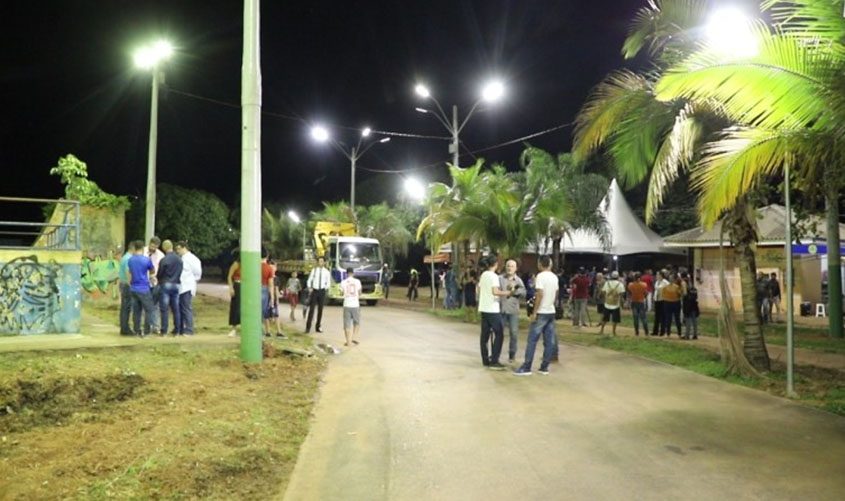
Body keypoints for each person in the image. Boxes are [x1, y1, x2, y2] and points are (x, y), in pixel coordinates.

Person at [514, 255, 559, 376]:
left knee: (532, 340)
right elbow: (555, 293)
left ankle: (527, 366)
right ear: (550, 264)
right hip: (550, 311)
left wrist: (534, 312)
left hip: (541, 312)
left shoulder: (540, 276)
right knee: (548, 340)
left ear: (540, 264)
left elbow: (539, 294)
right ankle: (544, 367)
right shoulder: (554, 277)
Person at [477, 256, 512, 370]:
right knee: (499, 333)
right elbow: (495, 291)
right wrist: (508, 292)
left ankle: (485, 359)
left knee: (485, 335)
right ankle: (495, 360)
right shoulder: (494, 276)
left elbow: (478, 289)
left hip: (484, 307)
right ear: (496, 264)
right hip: (492, 308)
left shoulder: (484, 275)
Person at [126, 240, 156, 336]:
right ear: (142, 249)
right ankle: (147, 330)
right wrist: (151, 275)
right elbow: (152, 270)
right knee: (149, 309)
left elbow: (130, 272)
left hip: (133, 288)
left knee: (136, 311)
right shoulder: (146, 260)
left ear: (134, 248)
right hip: (144, 288)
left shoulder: (130, 260)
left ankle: (137, 330)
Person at [499, 258, 526, 363]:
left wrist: (515, 290)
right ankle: (496, 355)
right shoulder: (500, 278)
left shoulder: (518, 280)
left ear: (516, 268)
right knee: (499, 333)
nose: (510, 268)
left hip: (513, 310)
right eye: (508, 266)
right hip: (501, 310)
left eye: (512, 266)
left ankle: (512, 355)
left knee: (514, 333)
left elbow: (524, 293)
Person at [156, 239, 183, 336]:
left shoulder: (164, 260)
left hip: (165, 284)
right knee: (176, 308)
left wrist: (159, 280)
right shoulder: (179, 259)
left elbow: (160, 274)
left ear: (164, 248)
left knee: (164, 309)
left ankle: (164, 330)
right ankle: (177, 329)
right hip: (176, 284)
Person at [175, 241, 202, 335]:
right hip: (181, 286)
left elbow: (197, 273)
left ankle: (189, 328)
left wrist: (191, 280)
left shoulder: (192, 259)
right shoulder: (181, 258)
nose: (177, 251)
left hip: (187, 286)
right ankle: (181, 328)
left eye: (178, 249)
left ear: (184, 248)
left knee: (186, 307)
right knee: (180, 308)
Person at [306, 256, 330, 333]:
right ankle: (308, 327)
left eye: (322, 261)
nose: (320, 263)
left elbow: (328, 282)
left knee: (320, 310)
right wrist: (310, 287)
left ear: (324, 262)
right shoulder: (314, 270)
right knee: (311, 309)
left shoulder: (326, 272)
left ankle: (318, 326)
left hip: (322, 291)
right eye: (319, 261)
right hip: (315, 291)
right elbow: (310, 279)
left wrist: (325, 288)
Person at [147, 237, 165, 334]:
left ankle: (155, 326)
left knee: (154, 305)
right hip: (144, 282)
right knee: (145, 304)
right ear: (150, 243)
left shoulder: (160, 255)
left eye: (155, 247)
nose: (153, 248)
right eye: (152, 245)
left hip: (155, 282)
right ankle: (147, 325)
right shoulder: (143, 251)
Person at [340, 267, 363, 346]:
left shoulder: (343, 282)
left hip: (347, 304)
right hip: (355, 304)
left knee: (347, 323)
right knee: (356, 322)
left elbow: (341, 293)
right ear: (353, 273)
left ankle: (348, 341)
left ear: (346, 273)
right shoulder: (357, 281)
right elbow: (360, 292)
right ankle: (354, 337)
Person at [598, 271, 625, 336]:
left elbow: (603, 292)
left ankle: (601, 330)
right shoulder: (620, 284)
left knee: (605, 318)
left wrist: (604, 299)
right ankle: (613, 332)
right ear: (618, 277)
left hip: (607, 303)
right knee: (615, 319)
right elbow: (621, 296)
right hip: (616, 304)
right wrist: (622, 304)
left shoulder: (607, 283)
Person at [118, 246, 133, 335]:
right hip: (127, 284)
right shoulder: (129, 258)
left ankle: (123, 327)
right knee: (127, 307)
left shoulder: (124, 257)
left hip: (123, 282)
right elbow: (128, 271)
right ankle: (125, 328)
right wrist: (130, 282)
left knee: (124, 307)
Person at [628, 272, 649, 336]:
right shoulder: (644, 284)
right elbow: (646, 293)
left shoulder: (630, 284)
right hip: (641, 302)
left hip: (634, 302)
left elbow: (630, 293)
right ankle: (646, 332)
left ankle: (637, 332)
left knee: (635, 318)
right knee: (643, 318)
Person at [227, 257, 241, 337]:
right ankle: (234, 328)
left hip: (247, 285)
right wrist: (231, 287)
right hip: (238, 285)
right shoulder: (236, 264)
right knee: (236, 307)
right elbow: (229, 276)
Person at [651, 270, 669, 336]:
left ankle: (662, 331)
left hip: (663, 300)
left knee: (663, 316)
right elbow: (656, 291)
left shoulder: (665, 282)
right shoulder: (657, 282)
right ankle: (655, 331)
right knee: (657, 316)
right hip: (657, 300)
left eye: (658, 275)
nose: (656, 276)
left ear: (661, 275)